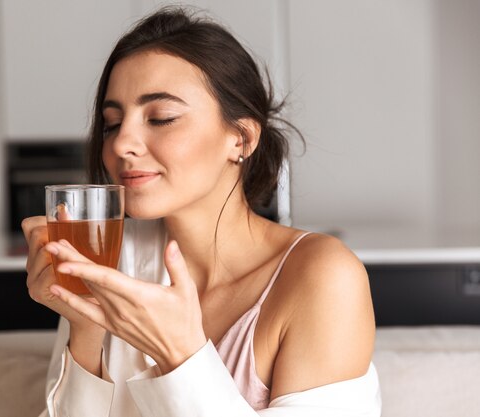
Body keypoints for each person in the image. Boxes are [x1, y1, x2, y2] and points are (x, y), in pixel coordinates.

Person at [22, 6, 381, 417]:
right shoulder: (110, 260)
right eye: (111, 124)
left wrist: (181, 358)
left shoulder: (323, 278)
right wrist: (84, 329)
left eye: (161, 118)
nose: (122, 144)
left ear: (241, 138)